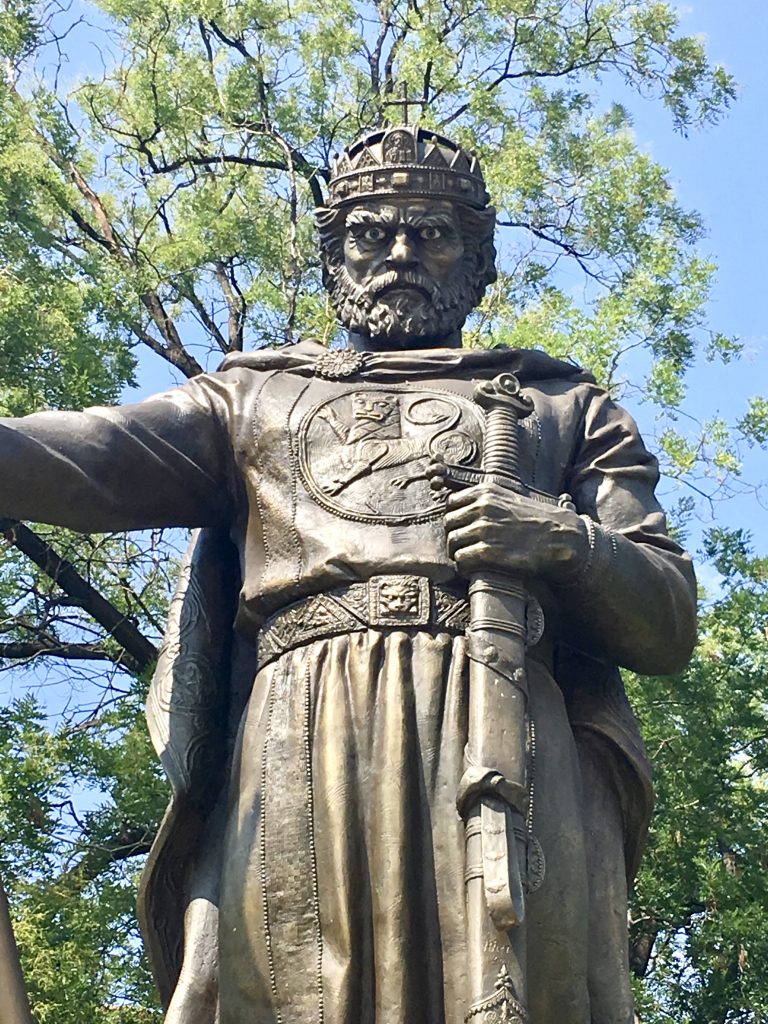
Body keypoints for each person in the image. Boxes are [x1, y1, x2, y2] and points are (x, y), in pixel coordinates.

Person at [0, 124, 696, 1024]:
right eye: (373, 232)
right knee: (291, 991)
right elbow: (95, 454)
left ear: (481, 264)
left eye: (432, 233)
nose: (400, 252)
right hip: (302, 728)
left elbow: (667, 620)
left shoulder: (561, 405)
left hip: (498, 722)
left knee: (519, 985)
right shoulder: (253, 397)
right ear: (335, 257)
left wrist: (562, 541)